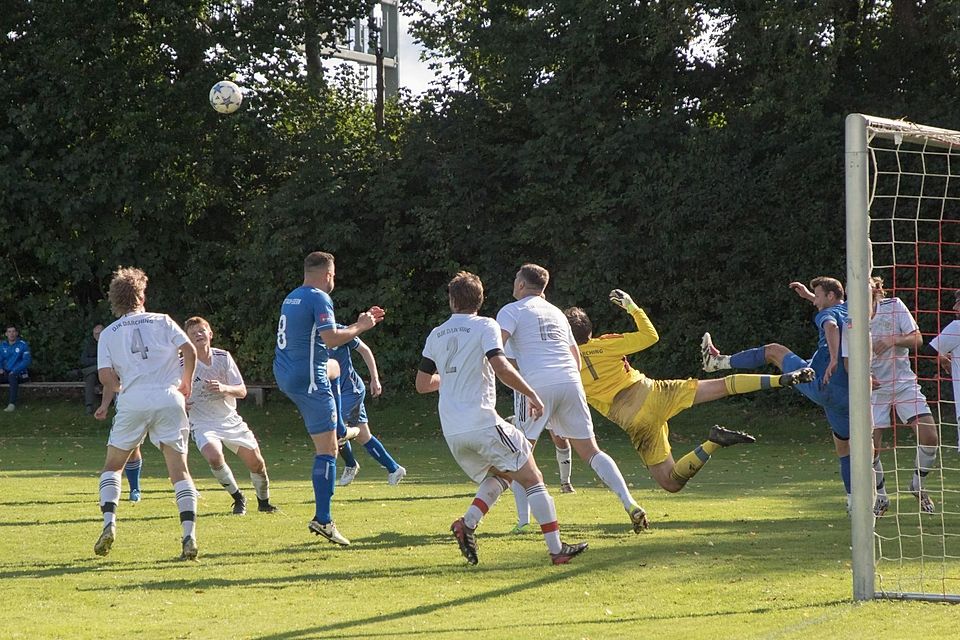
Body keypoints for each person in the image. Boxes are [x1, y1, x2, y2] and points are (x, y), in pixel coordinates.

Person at [563, 289, 814, 494]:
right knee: (723, 385)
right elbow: (651, 337)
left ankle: (713, 443)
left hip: (636, 421)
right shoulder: (607, 344)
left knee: (671, 483)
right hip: (654, 392)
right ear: (590, 331)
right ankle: (779, 379)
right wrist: (631, 306)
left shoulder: (562, 361)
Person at [416, 271, 588, 565]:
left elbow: (422, 385)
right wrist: (532, 394)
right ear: (480, 301)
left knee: (503, 475)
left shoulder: (436, 333)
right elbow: (501, 367)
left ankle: (467, 524)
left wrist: (452, 379)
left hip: (453, 431)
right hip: (481, 422)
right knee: (533, 478)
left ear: (451, 300)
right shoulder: (486, 325)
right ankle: (557, 549)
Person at [496, 264, 648, 533]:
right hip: (570, 381)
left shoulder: (511, 310)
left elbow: (497, 349)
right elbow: (575, 357)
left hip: (535, 386)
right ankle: (630, 502)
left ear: (521, 285)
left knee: (519, 454)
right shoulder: (556, 313)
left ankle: (522, 521)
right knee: (591, 451)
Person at [702, 277, 853, 510]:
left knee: (773, 351)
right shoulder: (849, 310)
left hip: (823, 385)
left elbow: (830, 325)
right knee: (845, 448)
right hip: (849, 395)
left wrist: (833, 358)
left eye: (819, 296)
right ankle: (856, 502)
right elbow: (832, 312)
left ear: (830, 296)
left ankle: (717, 362)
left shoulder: (827, 315)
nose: (816, 303)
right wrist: (809, 296)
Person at [273, 251, 384, 547]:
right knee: (328, 451)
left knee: (333, 368)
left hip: (286, 373)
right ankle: (323, 520)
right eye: (333, 275)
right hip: (308, 378)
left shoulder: (292, 296)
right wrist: (362, 325)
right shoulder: (320, 298)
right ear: (327, 275)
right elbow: (332, 338)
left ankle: (338, 428)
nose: (333, 279)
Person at [92, 266, 200, 560]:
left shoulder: (110, 333)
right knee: (179, 471)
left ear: (116, 299)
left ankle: (109, 524)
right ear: (141, 294)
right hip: (169, 397)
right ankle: (189, 535)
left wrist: (120, 387)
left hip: (133, 398)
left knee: (113, 467)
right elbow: (189, 350)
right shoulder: (163, 321)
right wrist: (186, 382)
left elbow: (104, 376)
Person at [184, 316, 278, 515]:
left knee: (256, 463)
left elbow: (242, 390)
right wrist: (180, 402)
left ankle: (264, 502)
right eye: (193, 334)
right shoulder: (182, 363)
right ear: (188, 339)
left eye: (202, 331)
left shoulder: (223, 357)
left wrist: (224, 388)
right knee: (214, 456)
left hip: (229, 419)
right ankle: (238, 498)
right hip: (202, 422)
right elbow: (171, 390)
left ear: (210, 334)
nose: (198, 335)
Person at [863, 277, 938, 516]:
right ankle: (881, 496)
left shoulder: (894, 306)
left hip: (903, 383)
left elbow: (917, 339)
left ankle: (917, 486)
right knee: (869, 449)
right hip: (873, 389)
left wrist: (893, 339)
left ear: (875, 288)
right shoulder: (850, 315)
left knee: (929, 436)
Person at [328, 326, 406, 486]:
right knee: (363, 436)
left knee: (336, 430)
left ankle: (350, 464)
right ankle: (394, 468)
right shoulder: (311, 337)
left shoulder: (340, 331)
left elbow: (365, 350)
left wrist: (375, 379)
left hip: (351, 391)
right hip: (335, 394)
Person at [929, 289, 960, 453]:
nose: (955, 308)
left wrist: (941, 359)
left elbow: (929, 352)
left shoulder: (957, 327)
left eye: (959, 303)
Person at [0, 325, 31, 412]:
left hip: (21, 374)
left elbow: (26, 361)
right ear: (6, 334)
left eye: (13, 331)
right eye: (9, 332)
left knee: (12, 376)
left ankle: (12, 404)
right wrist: (0, 368)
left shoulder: (23, 345)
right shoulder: (3, 345)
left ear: (16, 333)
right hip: (7, 373)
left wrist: (15, 370)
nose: (11, 334)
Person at [80, 324, 104, 414]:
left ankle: (81, 372)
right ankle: (89, 406)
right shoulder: (89, 345)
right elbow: (84, 360)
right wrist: (98, 361)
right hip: (95, 372)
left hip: (107, 371)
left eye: (98, 334)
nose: (96, 336)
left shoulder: (109, 343)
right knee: (90, 377)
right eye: (95, 334)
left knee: (101, 369)